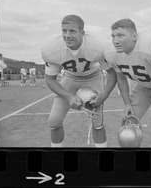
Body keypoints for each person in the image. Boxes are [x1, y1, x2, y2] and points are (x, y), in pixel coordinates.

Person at [40, 14, 117, 148]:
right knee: (54, 121)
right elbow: (50, 80)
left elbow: (112, 72)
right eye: (64, 31)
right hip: (70, 77)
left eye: (72, 31)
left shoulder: (99, 44)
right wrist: (69, 96)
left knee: (97, 121)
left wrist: (104, 96)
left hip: (93, 75)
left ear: (82, 33)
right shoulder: (51, 47)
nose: (67, 35)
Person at [103, 18, 151, 148]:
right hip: (142, 87)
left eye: (121, 35)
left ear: (134, 36)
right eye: (113, 36)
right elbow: (121, 78)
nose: (115, 40)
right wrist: (127, 103)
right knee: (128, 126)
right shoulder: (111, 53)